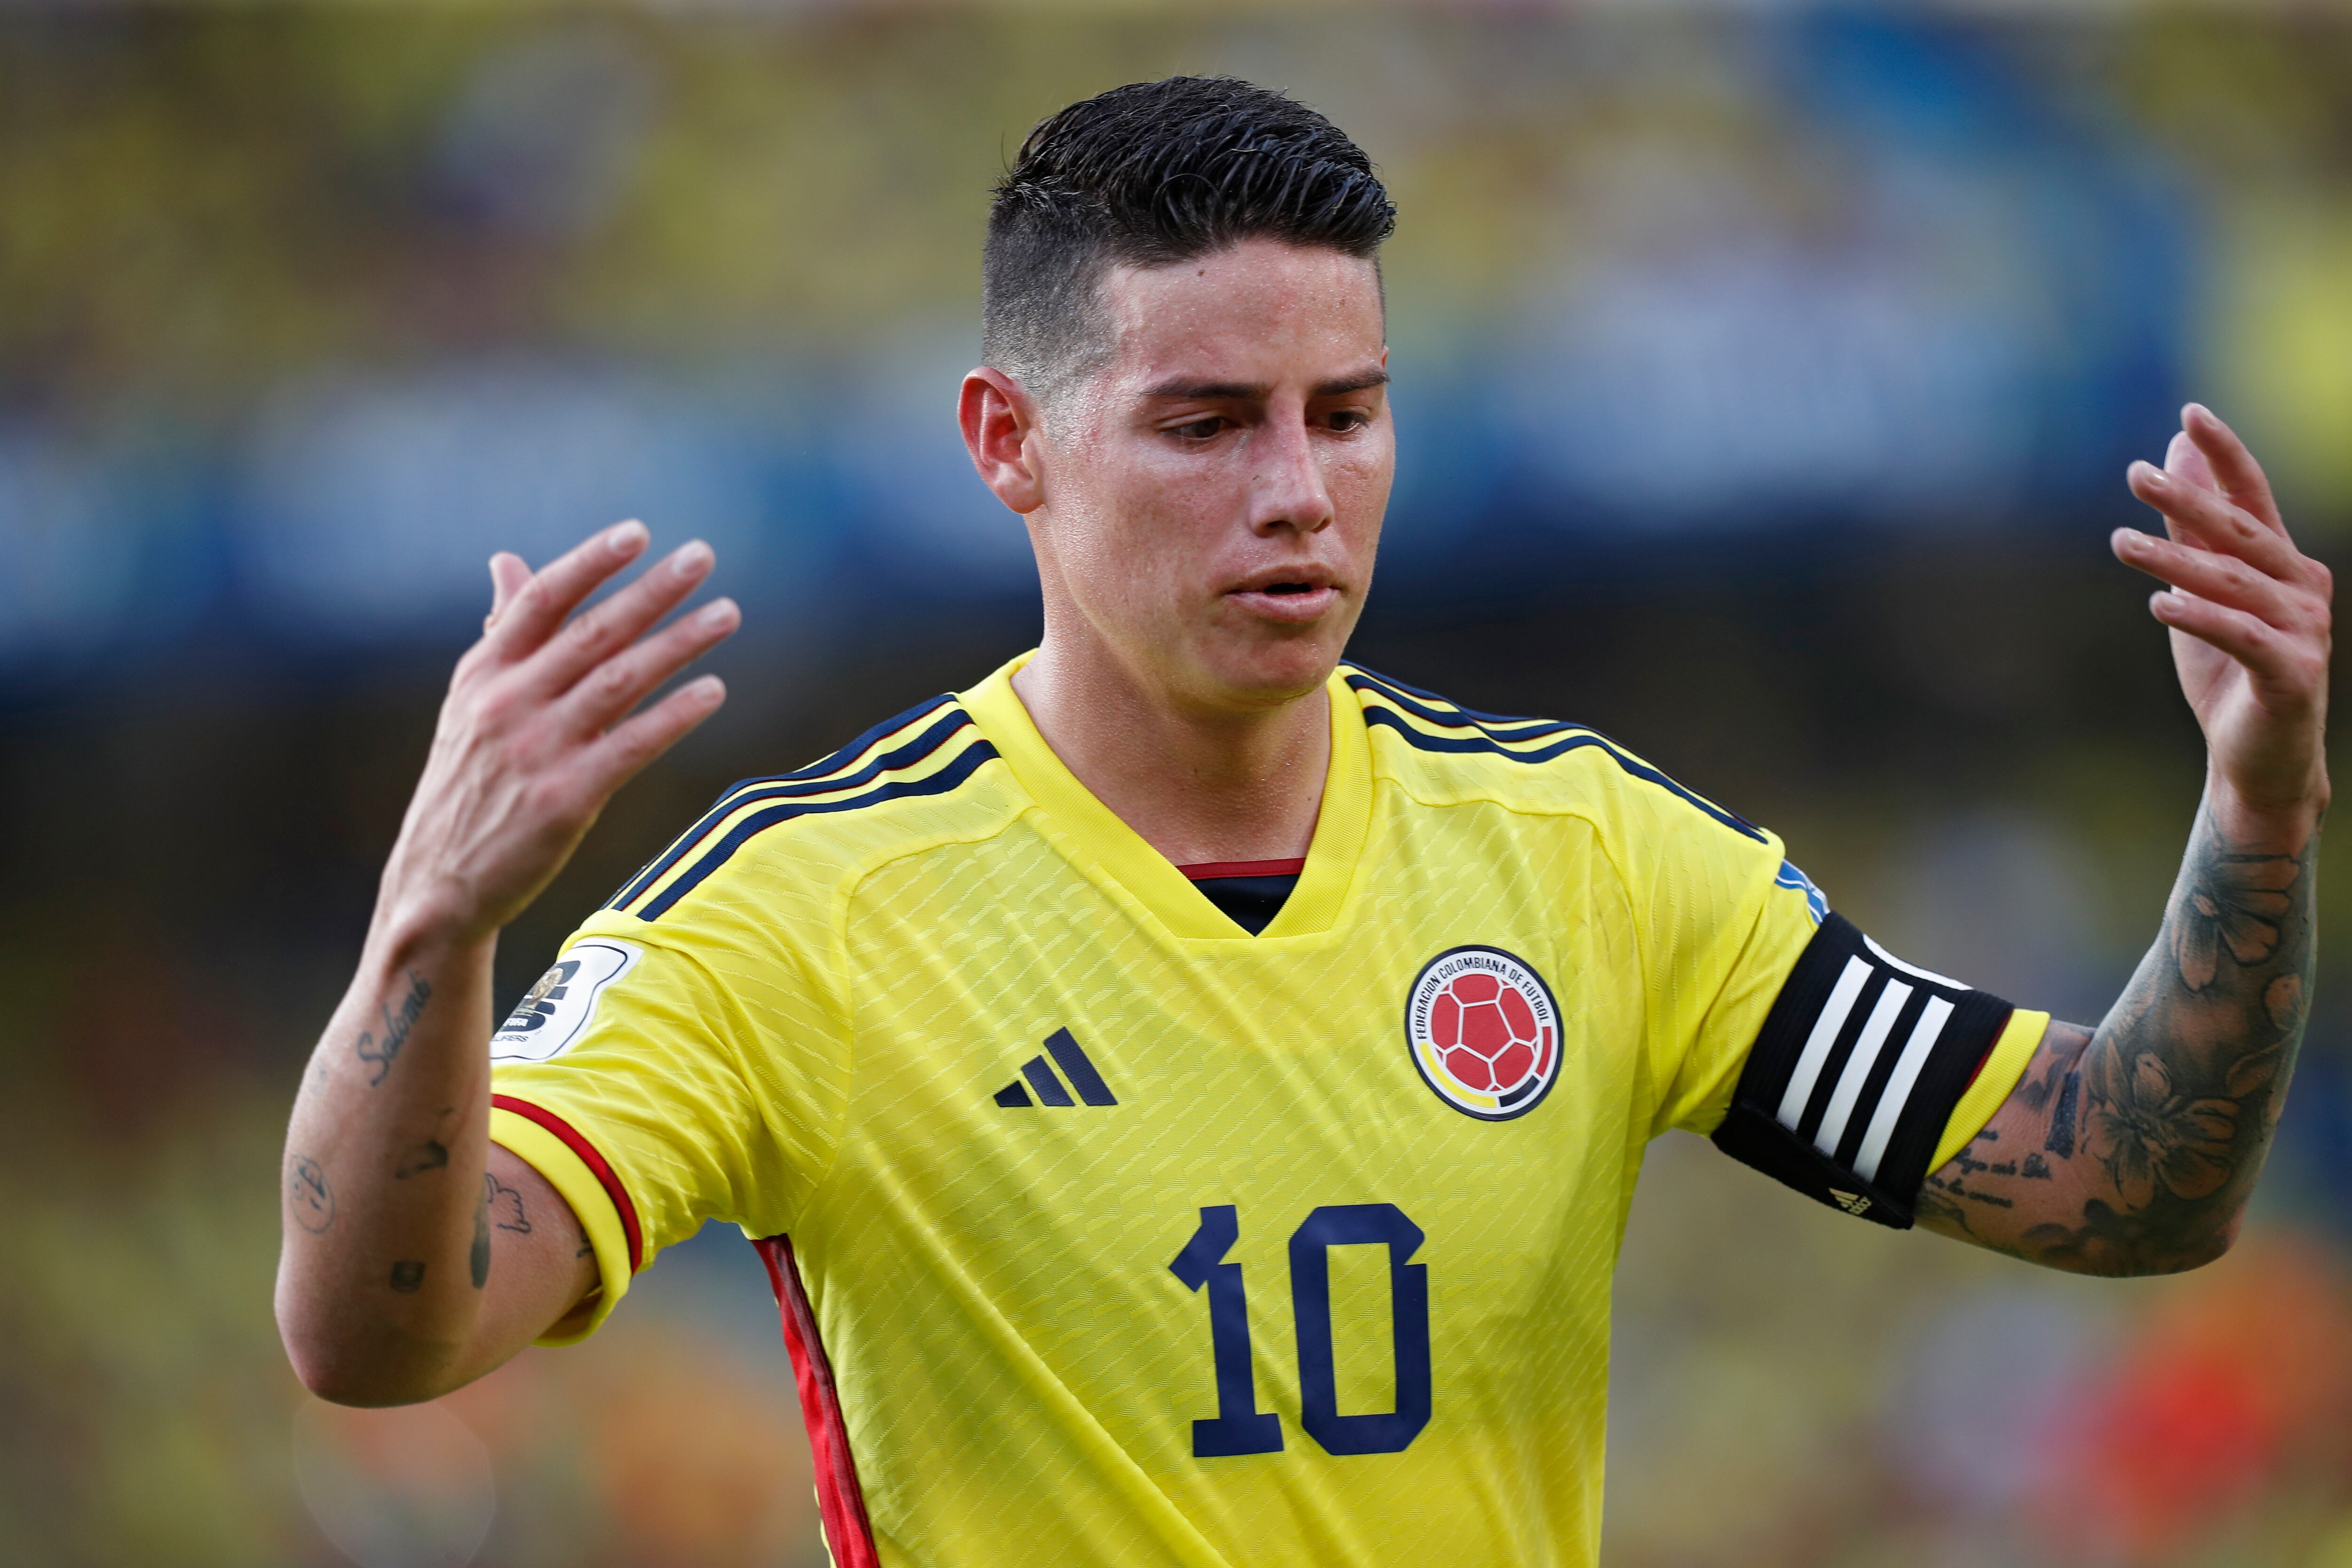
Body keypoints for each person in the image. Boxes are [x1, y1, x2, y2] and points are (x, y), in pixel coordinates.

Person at [275, 76, 2331, 1567]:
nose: (1296, 493)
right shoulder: (796, 918)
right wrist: (432, 934)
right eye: (1203, 422)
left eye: (1343, 416)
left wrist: (2250, 811)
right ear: (1010, 442)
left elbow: (2124, 1184)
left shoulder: (1591, 861)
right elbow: (385, 1335)